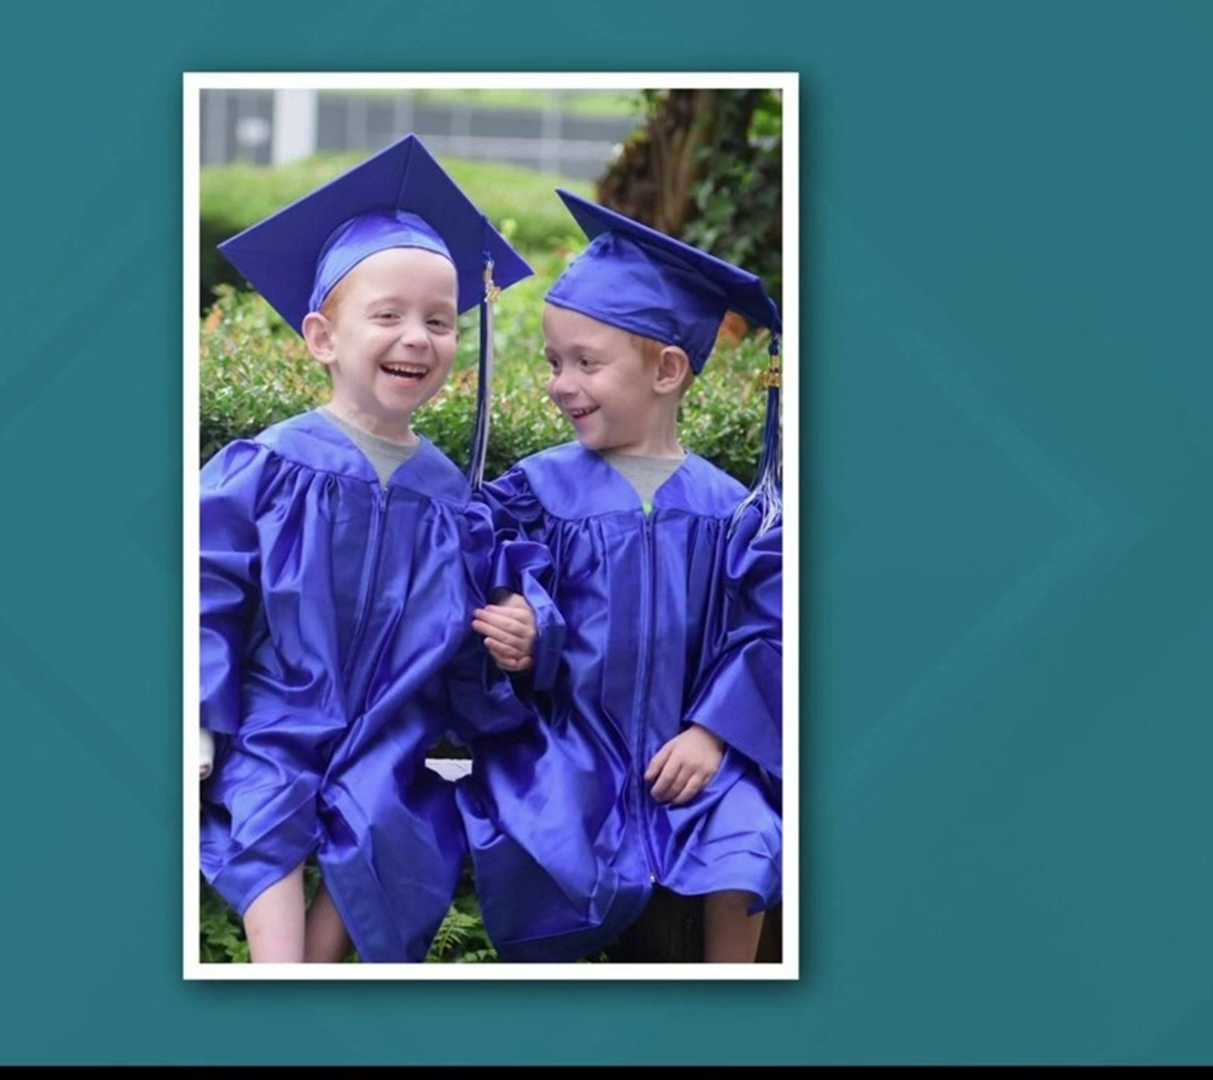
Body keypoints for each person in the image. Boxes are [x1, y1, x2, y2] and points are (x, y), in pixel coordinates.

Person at [197, 134, 544, 963]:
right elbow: (209, 594)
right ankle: (279, 973)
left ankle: (309, 979)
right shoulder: (267, 466)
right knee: (266, 799)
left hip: (395, 728)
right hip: (279, 710)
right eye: (386, 316)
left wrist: (519, 643)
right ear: (322, 337)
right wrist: (201, 721)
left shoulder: (452, 498)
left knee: (396, 821)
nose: (417, 338)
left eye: (439, 320)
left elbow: (471, 634)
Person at [456, 189, 785, 963]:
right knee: (546, 835)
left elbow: (762, 630)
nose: (559, 383)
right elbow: (500, 576)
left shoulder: (727, 511)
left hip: (687, 751)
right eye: (552, 362)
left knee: (747, 836)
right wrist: (525, 626)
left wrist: (714, 733)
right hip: (570, 746)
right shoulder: (538, 494)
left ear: (667, 370)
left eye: (585, 363)